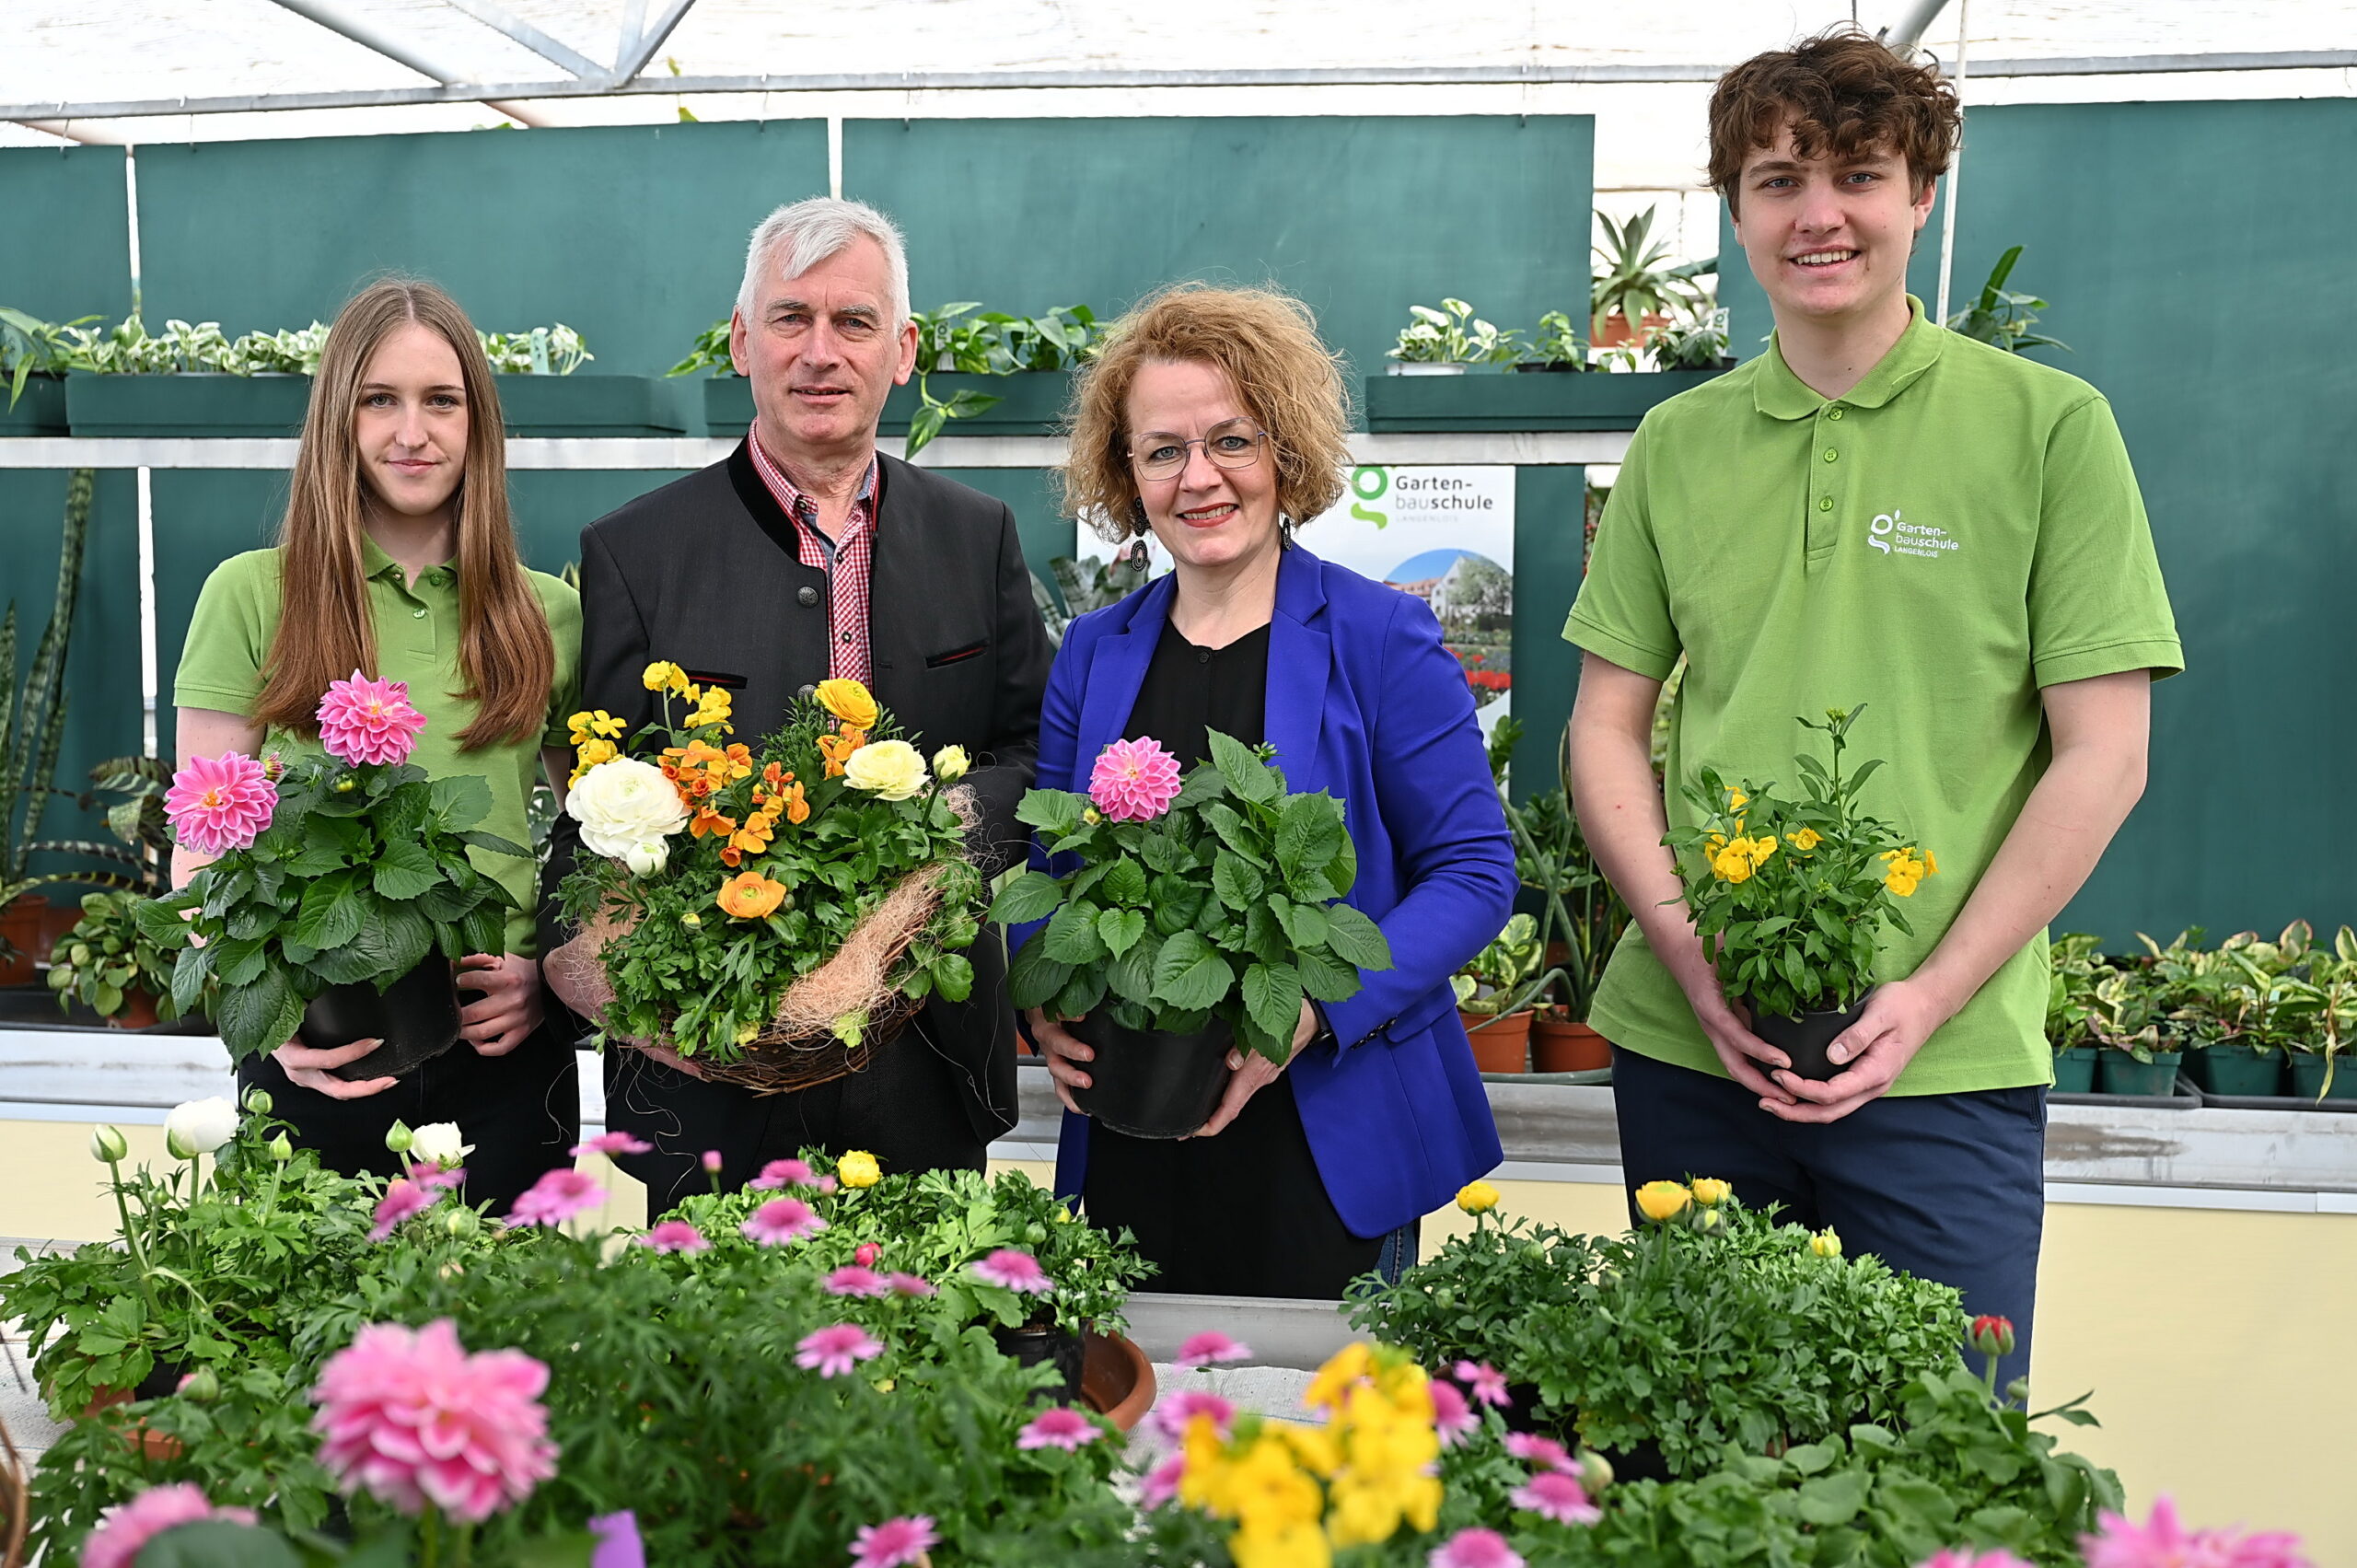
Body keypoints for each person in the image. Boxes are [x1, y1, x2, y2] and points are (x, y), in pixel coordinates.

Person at [1563, 30, 2180, 1386]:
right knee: (1697, 1461)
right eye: (1780, 179)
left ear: (1922, 196)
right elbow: (1604, 724)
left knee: (1934, 1464)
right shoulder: (1678, 442)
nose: (1819, 213)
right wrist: (1687, 958)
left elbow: (2104, 752)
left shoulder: (2048, 427)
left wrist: (1930, 994)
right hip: (1694, 1053)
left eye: (1858, 173)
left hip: (1942, 1067)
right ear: (1736, 210)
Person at [549, 197, 1051, 1211]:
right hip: (706, 1067)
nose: (821, 351)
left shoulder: (977, 535)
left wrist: (934, 824)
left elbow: (1032, 752)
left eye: (854, 322)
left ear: (902, 350)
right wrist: (599, 987)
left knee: (923, 1336)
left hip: (927, 1062)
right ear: (742, 340)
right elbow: (594, 802)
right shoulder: (635, 552)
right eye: (790, 318)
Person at [1027, 285, 1515, 1299]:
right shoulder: (1091, 653)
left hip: (1329, 1136)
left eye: (1230, 441)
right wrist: (1043, 1010)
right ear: (1126, 474)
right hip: (1130, 1126)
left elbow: (1474, 874)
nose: (1198, 477)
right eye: (1162, 449)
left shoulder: (1381, 637)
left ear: (1283, 452)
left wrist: (1309, 1013)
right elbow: (1050, 871)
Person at [173, 277, 583, 1212]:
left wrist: (549, 976)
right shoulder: (251, 594)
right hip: (324, 1042)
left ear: (479, 422)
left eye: (442, 401)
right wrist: (268, 1025)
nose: (413, 432)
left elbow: (597, 845)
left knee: (508, 1332)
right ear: (337, 420)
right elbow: (202, 840)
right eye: (380, 399)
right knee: (310, 1336)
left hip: (505, 1046)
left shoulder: (545, 613)